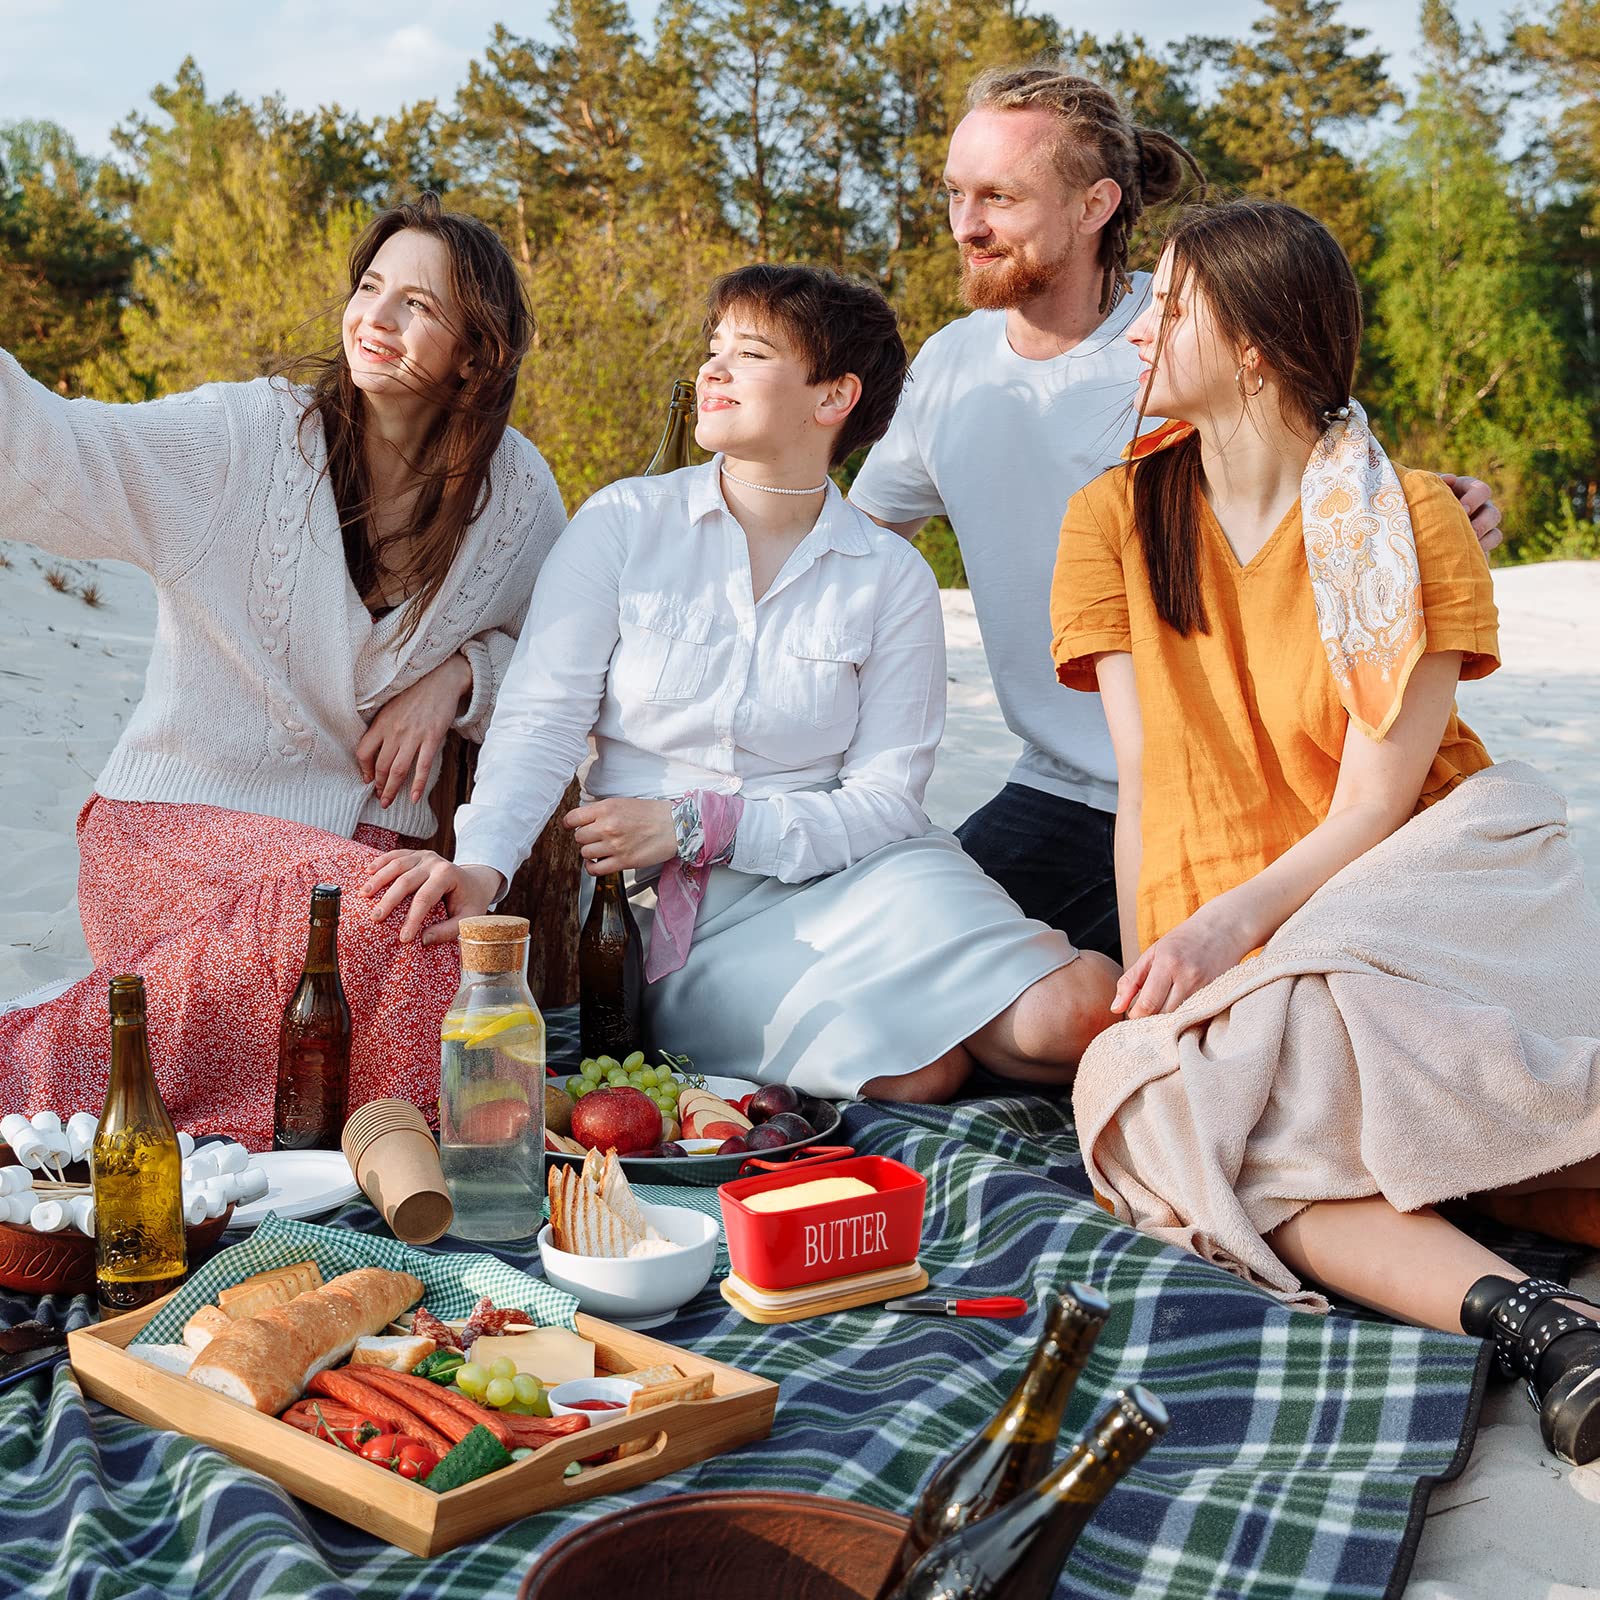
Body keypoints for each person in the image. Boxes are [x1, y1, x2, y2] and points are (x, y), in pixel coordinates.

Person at [1051, 197, 1600, 1464]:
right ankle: (1542, 1328)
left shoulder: (1401, 516)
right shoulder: (1111, 521)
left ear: (1251, 342)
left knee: (1301, 1068)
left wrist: (1226, 942)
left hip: (1426, 880)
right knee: (1164, 1104)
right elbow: (1146, 782)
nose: (1139, 334)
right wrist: (1160, 991)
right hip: (1244, 925)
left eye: (1170, 306)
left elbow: (1375, 804)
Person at [364, 264, 1119, 1104]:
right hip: (680, 920)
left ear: (832, 397)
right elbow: (540, 722)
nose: (712, 370)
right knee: (916, 1073)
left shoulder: (890, 576)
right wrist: (482, 868)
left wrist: (698, 824)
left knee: (1075, 1014)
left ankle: (1152, 1010)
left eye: (750, 353)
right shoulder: (623, 523)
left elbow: (885, 802)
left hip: (867, 875)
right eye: (714, 348)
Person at [849, 63, 1504, 959]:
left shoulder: (1191, 337)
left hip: (1253, 785)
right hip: (1061, 785)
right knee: (915, 981)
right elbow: (856, 550)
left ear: (1094, 205)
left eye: (998, 196)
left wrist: (1430, 504)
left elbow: (1320, 464)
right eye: (956, 193)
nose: (967, 223)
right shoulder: (949, 369)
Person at [0, 194, 566, 1146]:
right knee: (415, 961)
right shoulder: (246, 439)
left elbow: (567, 666)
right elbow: (61, 455)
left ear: (478, 351)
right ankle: (22, 1079)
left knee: (442, 975)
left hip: (366, 874)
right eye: (369, 287)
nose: (373, 319)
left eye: (416, 306)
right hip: (176, 837)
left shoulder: (515, 496)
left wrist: (462, 676)